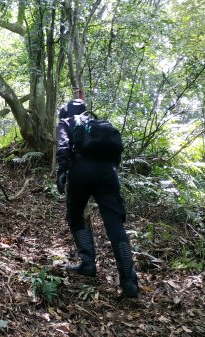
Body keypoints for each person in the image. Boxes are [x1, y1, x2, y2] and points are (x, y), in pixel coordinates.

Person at [55, 98, 139, 298]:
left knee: (75, 216)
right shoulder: (100, 124)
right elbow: (116, 153)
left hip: (81, 171)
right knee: (115, 226)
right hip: (108, 173)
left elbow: (63, 146)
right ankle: (129, 282)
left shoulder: (67, 122)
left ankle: (88, 264)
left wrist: (62, 171)